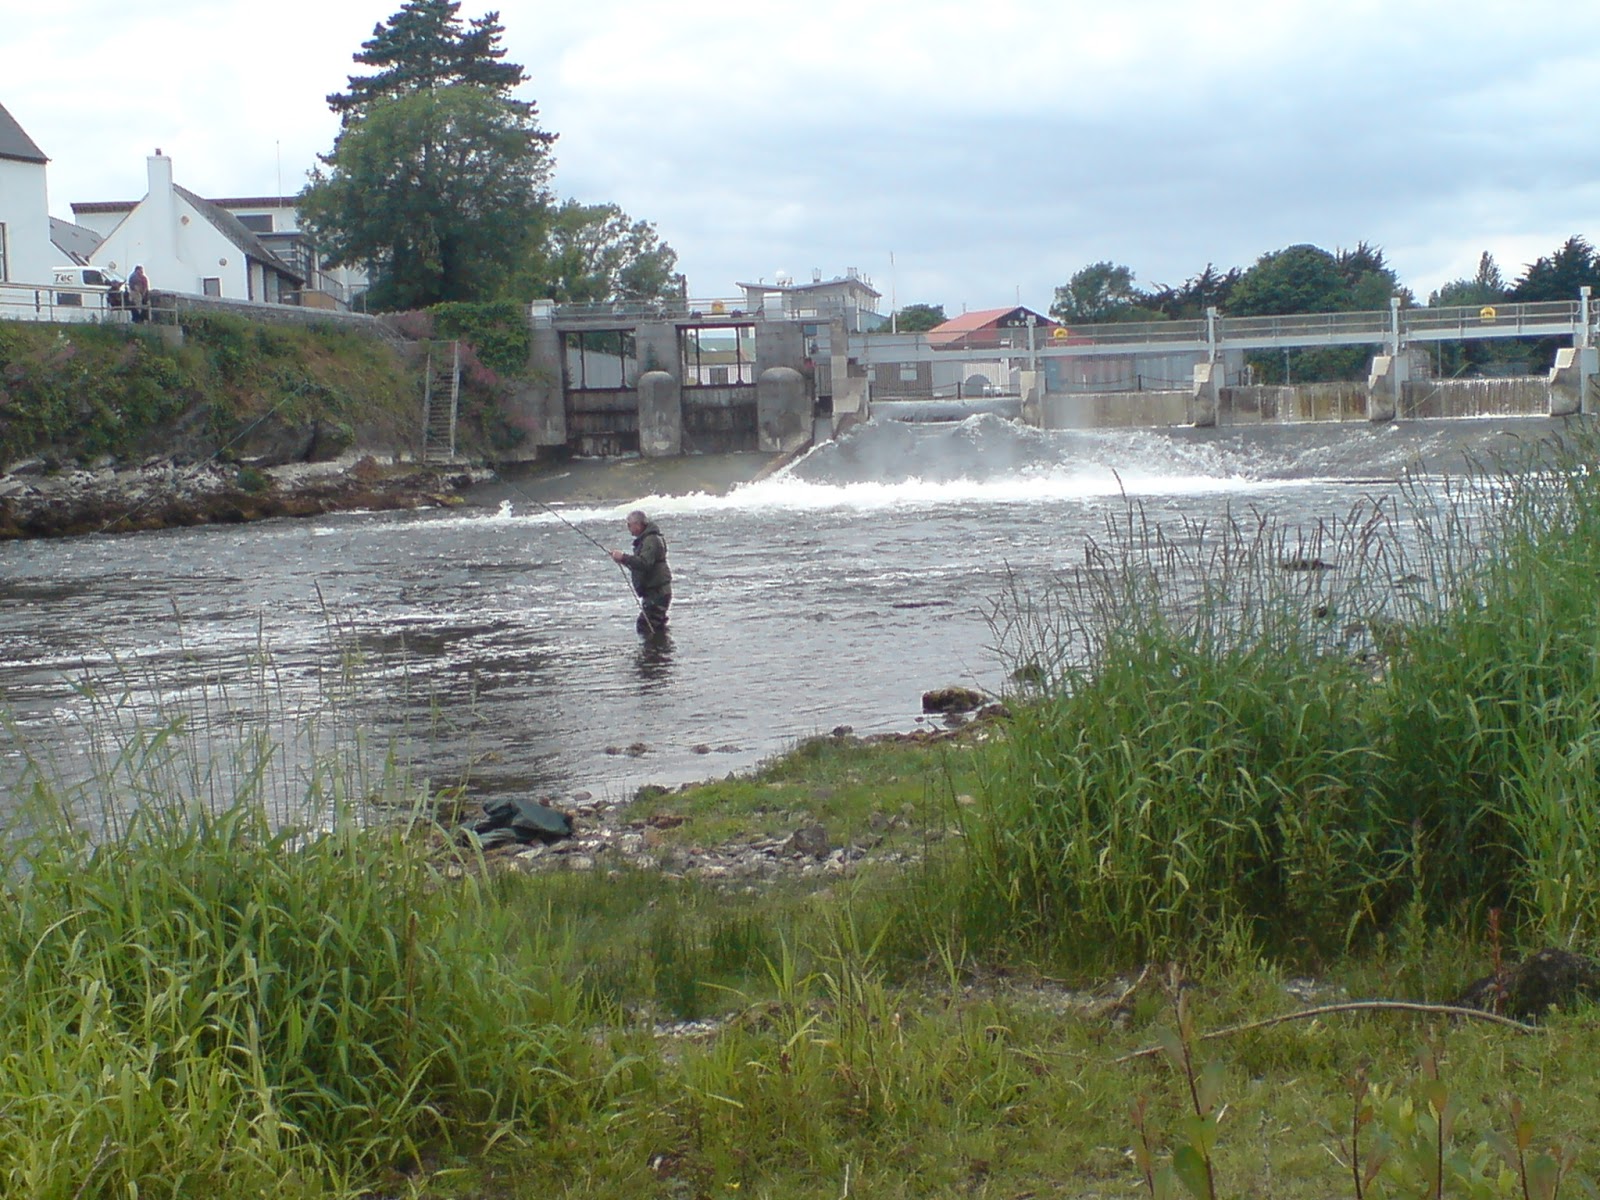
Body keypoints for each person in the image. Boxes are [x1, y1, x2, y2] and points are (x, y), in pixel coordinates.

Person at [609, 509, 672, 634]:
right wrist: (623, 560)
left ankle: (656, 647)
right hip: (655, 592)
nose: (628, 528)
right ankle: (662, 645)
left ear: (638, 525)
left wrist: (624, 557)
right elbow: (641, 565)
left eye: (629, 525)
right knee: (655, 627)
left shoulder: (651, 540)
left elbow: (644, 563)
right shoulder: (648, 539)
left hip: (657, 593)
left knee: (645, 627)